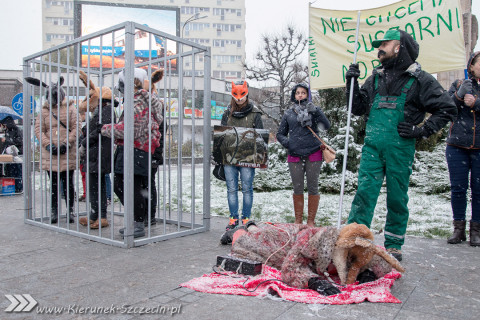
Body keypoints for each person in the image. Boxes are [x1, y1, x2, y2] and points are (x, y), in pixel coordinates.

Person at [344, 29, 457, 261]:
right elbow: (356, 108)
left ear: (399, 47)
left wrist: (422, 130)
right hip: (373, 147)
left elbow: (447, 108)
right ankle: (355, 239)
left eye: (385, 43)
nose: (380, 48)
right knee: (364, 193)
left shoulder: (420, 80)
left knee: (397, 196)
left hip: (400, 148)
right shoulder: (375, 78)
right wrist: (351, 83)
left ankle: (394, 243)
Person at [224, 221, 404, 295]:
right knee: (249, 242)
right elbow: (290, 268)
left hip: (296, 232)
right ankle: (240, 230)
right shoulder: (314, 242)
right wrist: (313, 282)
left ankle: (253, 225)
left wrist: (368, 272)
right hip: (284, 244)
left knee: (264, 231)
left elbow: (376, 259)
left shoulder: (356, 247)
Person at [101, 68, 163, 238]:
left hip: (135, 150)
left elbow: (130, 129)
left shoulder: (138, 102)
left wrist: (105, 129)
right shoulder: (140, 101)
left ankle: (138, 223)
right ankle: (138, 221)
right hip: (137, 150)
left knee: (126, 187)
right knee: (129, 187)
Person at [276, 83, 331, 226]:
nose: (300, 95)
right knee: (297, 188)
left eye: (303, 93)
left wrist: (317, 112)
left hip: (314, 153)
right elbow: (280, 134)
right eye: (297, 93)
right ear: (294, 96)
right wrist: (289, 143)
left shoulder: (314, 110)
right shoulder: (288, 113)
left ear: (307, 95)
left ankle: (311, 221)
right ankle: (298, 220)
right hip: (294, 155)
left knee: (313, 187)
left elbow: (326, 126)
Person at [445, 51, 480, 247]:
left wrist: (477, 103)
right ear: (471, 66)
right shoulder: (459, 84)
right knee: (458, 188)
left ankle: (476, 230)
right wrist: (458, 96)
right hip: (457, 145)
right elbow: (444, 107)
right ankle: (458, 229)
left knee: (479, 190)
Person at [221, 81, 263, 231]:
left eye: (242, 94)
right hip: (230, 157)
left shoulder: (255, 114)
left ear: (247, 94)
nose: (239, 98)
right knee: (231, 189)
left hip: (247, 157)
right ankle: (233, 218)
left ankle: (245, 218)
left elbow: (261, 138)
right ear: (232, 95)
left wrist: (259, 157)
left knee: (247, 188)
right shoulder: (227, 113)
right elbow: (222, 135)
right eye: (236, 95)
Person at [78, 83, 116, 229]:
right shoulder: (102, 110)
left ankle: (99, 216)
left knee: (96, 187)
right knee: (95, 186)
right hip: (97, 153)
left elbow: (98, 131)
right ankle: (96, 215)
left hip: (98, 153)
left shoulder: (105, 111)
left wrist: (85, 142)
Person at [35, 96, 78, 224]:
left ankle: (70, 210)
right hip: (51, 153)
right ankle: (54, 210)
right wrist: (48, 144)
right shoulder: (44, 111)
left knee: (68, 182)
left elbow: (77, 127)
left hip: (67, 152)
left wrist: (67, 143)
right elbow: (39, 130)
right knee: (54, 183)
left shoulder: (71, 108)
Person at [0, 116, 23, 193]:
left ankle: (18, 187)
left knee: (16, 171)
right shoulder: (8, 131)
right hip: (10, 154)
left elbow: (18, 142)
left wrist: (7, 140)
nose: (4, 126)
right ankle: (12, 187)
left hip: (16, 155)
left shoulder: (16, 130)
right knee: (10, 171)